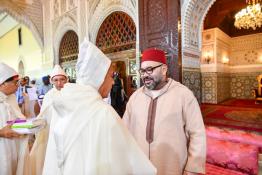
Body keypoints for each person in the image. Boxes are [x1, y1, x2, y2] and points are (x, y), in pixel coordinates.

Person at [42, 39, 156, 175]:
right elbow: (125, 164)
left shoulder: (66, 104)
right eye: (110, 76)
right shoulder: (103, 112)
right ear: (99, 77)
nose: (113, 81)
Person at [123, 48, 206, 175]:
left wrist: (192, 168)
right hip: (140, 166)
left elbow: (197, 133)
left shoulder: (183, 95)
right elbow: (124, 130)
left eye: (150, 69)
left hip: (172, 166)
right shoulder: (135, 97)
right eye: (142, 71)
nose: (145, 75)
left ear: (164, 69)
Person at [30, 64, 68, 175]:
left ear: (67, 80)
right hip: (51, 131)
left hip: (67, 132)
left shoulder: (72, 94)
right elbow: (43, 114)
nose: (59, 83)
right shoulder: (48, 95)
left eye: (62, 79)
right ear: (51, 81)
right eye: (56, 80)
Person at [0, 62, 30, 175]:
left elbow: (16, 118)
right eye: (15, 82)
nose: (18, 85)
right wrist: (1, 132)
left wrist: (28, 126)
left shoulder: (11, 98)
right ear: (2, 83)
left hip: (14, 147)